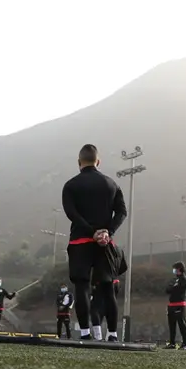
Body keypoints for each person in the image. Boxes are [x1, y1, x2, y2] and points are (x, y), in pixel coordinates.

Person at [62, 144, 127, 342]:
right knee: (107, 287)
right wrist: (107, 231)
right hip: (104, 244)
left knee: (82, 286)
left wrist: (92, 231)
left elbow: (71, 214)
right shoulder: (111, 184)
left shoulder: (71, 185)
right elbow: (122, 212)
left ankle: (85, 333)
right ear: (98, 161)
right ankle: (113, 335)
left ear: (79, 162)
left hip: (80, 241)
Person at [165, 262, 186, 349]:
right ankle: (172, 343)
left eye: (175, 268)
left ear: (179, 269)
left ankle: (185, 344)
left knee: (181, 324)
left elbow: (178, 290)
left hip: (179, 305)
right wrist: (173, 287)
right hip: (171, 305)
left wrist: (173, 288)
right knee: (172, 325)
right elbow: (168, 289)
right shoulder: (174, 279)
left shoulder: (184, 279)